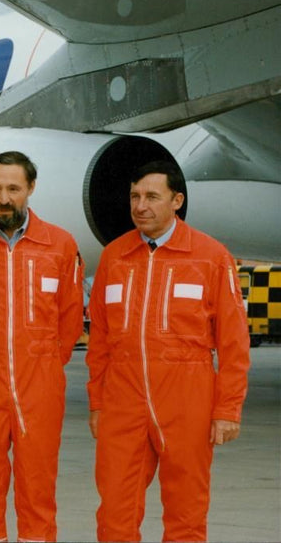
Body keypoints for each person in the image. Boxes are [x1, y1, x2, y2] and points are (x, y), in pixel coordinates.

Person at [86, 160, 250, 541]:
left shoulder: (210, 257)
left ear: (177, 200)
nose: (140, 206)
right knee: (114, 511)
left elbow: (233, 342)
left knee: (186, 513)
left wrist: (227, 409)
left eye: (152, 197)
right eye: (135, 197)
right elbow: (99, 341)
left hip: (187, 398)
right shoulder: (114, 257)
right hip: (123, 402)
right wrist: (97, 402)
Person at [0, 151, 85, 541]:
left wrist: (39, 362)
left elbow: (70, 319)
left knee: (38, 487)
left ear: (30, 189)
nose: (3, 198)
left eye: (13, 188)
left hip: (39, 384)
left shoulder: (59, 245)